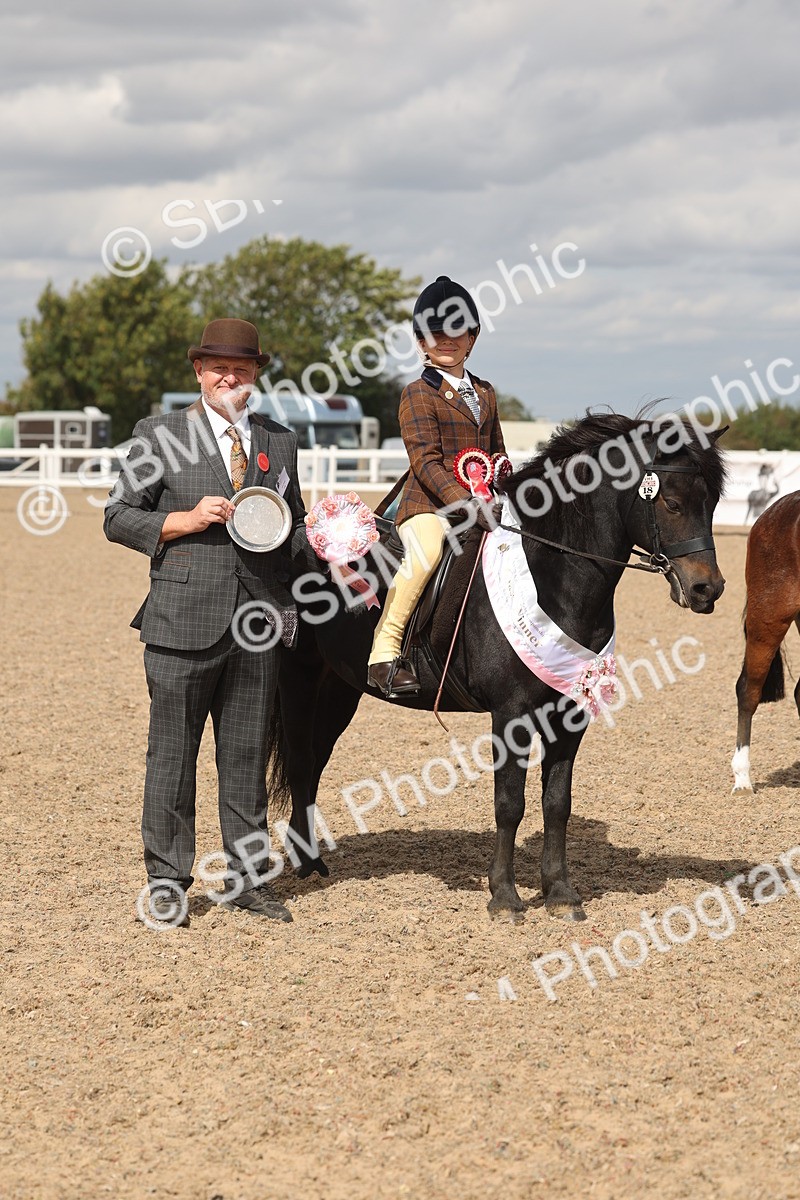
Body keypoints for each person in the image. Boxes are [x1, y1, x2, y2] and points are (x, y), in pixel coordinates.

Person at [104, 318, 311, 927]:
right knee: (172, 755)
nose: (230, 376)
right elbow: (118, 517)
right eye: (219, 366)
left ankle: (247, 878)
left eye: (242, 368)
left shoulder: (280, 439)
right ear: (198, 371)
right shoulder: (161, 433)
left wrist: (323, 537)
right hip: (181, 620)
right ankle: (167, 881)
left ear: (256, 375)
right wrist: (183, 520)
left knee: (246, 756)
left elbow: (290, 525)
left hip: (257, 621)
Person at [367, 276, 506, 697]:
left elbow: (495, 451)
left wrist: (503, 476)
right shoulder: (417, 393)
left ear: (472, 338)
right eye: (435, 333)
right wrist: (464, 503)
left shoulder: (485, 392)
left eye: (457, 331)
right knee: (426, 554)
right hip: (427, 504)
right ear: (421, 341)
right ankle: (385, 651)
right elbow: (425, 461)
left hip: (482, 500)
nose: (447, 340)